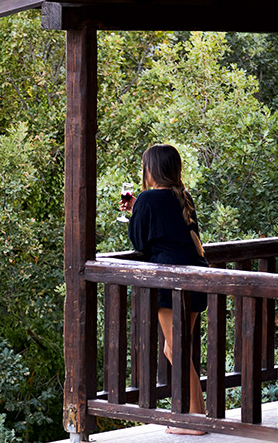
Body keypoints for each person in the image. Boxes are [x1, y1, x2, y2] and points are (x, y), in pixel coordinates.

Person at [120, 143, 207, 435]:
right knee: (178, 348)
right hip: (196, 277)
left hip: (171, 282)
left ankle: (195, 421)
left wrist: (135, 212)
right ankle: (193, 416)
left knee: (177, 350)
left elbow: (139, 243)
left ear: (151, 169)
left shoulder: (148, 199)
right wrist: (139, 209)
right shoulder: (183, 196)